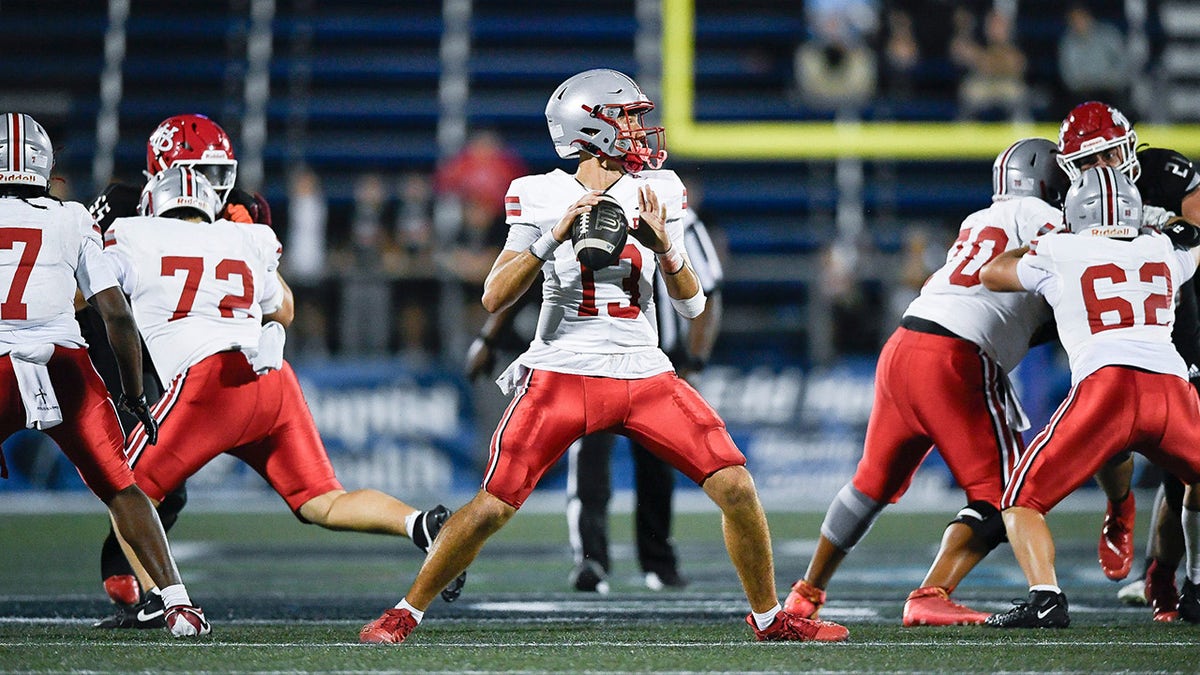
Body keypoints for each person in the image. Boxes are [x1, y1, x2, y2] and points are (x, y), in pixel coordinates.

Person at [359, 68, 849, 644]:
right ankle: (405, 610)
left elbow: (692, 309)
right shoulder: (542, 193)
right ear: (590, 128)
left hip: (643, 373)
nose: (641, 130)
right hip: (562, 372)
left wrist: (667, 249)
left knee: (736, 485)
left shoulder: (660, 189)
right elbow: (493, 294)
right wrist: (552, 238)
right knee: (493, 505)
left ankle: (770, 619)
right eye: (629, 118)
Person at [98, 166, 466, 622]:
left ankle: (160, 600)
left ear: (154, 203)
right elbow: (283, 309)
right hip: (270, 377)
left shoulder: (132, 235)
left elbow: (91, 296)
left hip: (208, 383)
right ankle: (422, 524)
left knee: (124, 488)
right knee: (323, 502)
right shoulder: (244, 239)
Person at [784, 138, 1069, 626]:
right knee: (1007, 497)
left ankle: (806, 593)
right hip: (955, 357)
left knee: (870, 484)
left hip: (904, 343)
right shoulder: (1048, 222)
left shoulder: (979, 220)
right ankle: (930, 594)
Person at [0, 112, 209, 637]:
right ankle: (179, 603)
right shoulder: (72, 218)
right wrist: (134, 396)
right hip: (65, 365)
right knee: (122, 488)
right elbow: (116, 314)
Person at [981, 165, 1200, 627]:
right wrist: (1167, 227)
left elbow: (992, 273)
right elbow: (1194, 242)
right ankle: (1196, 587)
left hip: (1108, 389)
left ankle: (1046, 598)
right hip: (1171, 390)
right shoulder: (1160, 247)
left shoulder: (1060, 247)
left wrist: (1047, 240)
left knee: (1021, 501)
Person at [467, 206, 723, 593]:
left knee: (659, 465)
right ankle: (591, 561)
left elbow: (708, 294)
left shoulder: (679, 218)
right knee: (588, 460)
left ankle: (658, 561)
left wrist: (696, 362)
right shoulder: (580, 208)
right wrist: (490, 336)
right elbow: (534, 276)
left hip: (654, 362)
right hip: (589, 360)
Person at [86, 113, 276, 629]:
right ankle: (148, 591)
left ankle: (134, 575)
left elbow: (275, 300)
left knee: (167, 481)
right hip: (119, 340)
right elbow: (90, 280)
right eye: (200, 173)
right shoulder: (124, 206)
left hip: (185, 346)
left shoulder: (244, 212)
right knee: (134, 470)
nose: (214, 188)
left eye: (220, 174)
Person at [1056, 100, 1200, 620]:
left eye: (1110, 156)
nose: (1103, 171)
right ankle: (1119, 508)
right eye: (1088, 163)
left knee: (1185, 467)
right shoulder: (1068, 200)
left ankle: (1165, 572)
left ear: (1130, 150)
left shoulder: (1166, 173)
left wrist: (1174, 230)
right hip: (1106, 328)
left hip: (1175, 320)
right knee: (1112, 438)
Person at [1056, 4, 1130, 115]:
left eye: (1080, 18)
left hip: (1111, 91)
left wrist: (1110, 81)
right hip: (1084, 93)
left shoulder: (1109, 35)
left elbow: (1123, 64)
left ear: (1089, 17)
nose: (1078, 23)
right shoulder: (1067, 43)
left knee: (1121, 100)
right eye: (1073, 20)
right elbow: (1070, 77)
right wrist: (1089, 83)